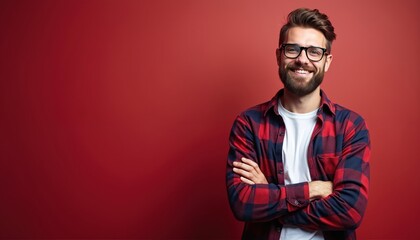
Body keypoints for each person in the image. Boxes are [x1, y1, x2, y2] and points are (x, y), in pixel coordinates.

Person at [226, 8, 370, 240]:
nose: (302, 59)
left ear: (327, 62)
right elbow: (243, 203)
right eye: (292, 49)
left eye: (314, 52)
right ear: (279, 56)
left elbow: (350, 211)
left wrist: (271, 196)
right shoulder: (249, 123)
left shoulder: (350, 126)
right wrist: (315, 188)